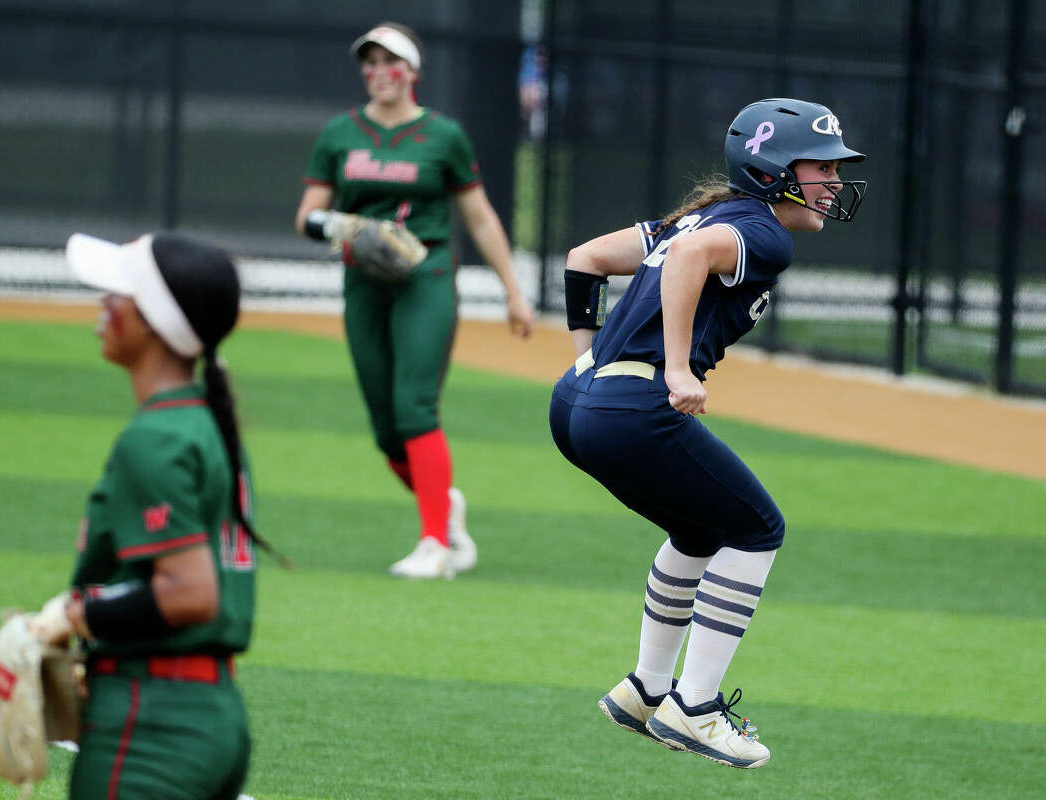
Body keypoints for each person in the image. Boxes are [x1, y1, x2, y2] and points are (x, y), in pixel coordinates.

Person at [548, 98, 866, 769]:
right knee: (758, 528)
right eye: (823, 166)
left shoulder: (701, 215)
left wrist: (585, 361)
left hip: (577, 406)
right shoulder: (760, 231)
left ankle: (645, 690)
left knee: (699, 530)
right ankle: (694, 707)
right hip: (632, 412)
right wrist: (672, 368)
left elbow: (584, 259)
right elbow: (691, 257)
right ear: (773, 167)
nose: (835, 181)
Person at [295, 21, 535, 580]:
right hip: (363, 280)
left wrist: (513, 291)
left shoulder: (443, 136)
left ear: (413, 73)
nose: (380, 72)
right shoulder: (339, 134)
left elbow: (478, 215)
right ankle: (443, 506)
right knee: (385, 428)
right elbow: (307, 215)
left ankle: (435, 545)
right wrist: (347, 226)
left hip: (424, 277)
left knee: (414, 407)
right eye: (370, 63)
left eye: (391, 62)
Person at [35, 231, 257, 799]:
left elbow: (188, 594)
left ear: (153, 321)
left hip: (150, 725)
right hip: (211, 716)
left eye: (118, 293)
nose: (102, 304)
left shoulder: (155, 438)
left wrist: (75, 615)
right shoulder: (204, 425)